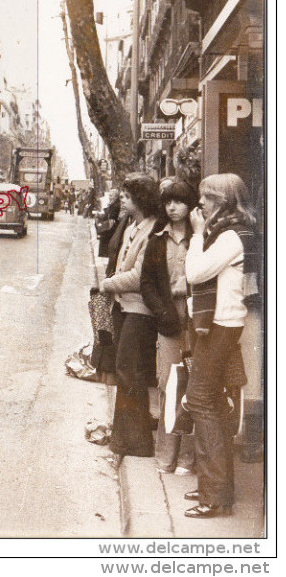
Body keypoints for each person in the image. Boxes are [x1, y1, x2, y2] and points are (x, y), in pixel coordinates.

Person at [183, 174, 258, 518]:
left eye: (207, 198)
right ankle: (215, 487)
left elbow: (196, 273)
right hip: (220, 325)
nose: (201, 205)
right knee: (209, 402)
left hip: (220, 326)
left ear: (224, 201)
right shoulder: (232, 231)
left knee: (201, 401)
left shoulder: (229, 236)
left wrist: (197, 234)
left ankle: (215, 496)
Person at [99, 173, 160, 467]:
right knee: (125, 372)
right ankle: (124, 438)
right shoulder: (133, 225)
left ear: (141, 199)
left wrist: (108, 284)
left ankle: (135, 441)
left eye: (128, 195)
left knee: (129, 372)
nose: (122, 198)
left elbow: (139, 276)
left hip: (140, 311)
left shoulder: (151, 230)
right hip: (125, 308)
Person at [140, 180, 198, 476]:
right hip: (168, 320)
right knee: (168, 386)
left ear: (191, 204)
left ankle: (188, 458)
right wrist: (162, 312)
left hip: (197, 320)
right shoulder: (157, 239)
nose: (172, 207)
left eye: (179, 201)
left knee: (194, 388)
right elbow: (146, 283)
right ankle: (166, 455)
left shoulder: (201, 238)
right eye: (168, 202)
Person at [96, 189, 121, 258]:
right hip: (112, 225)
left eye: (111, 195)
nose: (109, 197)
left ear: (115, 196)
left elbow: (112, 217)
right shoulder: (114, 203)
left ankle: (105, 254)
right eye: (109, 195)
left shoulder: (116, 205)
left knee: (103, 233)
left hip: (113, 227)